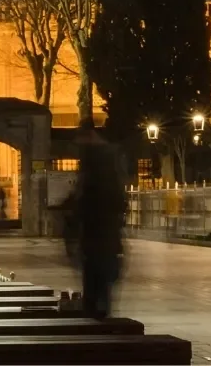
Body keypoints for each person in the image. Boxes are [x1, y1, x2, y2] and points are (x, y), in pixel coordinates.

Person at [71, 126, 129, 320]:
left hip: (99, 240)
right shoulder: (105, 160)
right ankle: (98, 321)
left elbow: (93, 201)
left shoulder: (99, 162)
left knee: (97, 290)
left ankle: (97, 325)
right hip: (101, 239)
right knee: (99, 290)